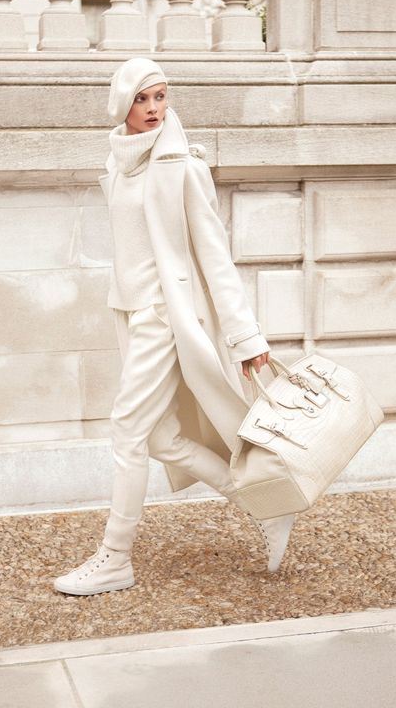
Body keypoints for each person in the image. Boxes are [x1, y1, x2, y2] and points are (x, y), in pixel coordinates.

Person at [53, 58, 294, 596]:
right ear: (122, 104)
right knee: (162, 437)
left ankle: (115, 557)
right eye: (143, 98)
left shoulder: (182, 166)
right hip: (131, 312)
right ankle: (269, 506)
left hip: (163, 315)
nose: (154, 108)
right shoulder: (119, 161)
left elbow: (214, 257)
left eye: (160, 96)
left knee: (126, 429)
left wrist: (246, 337)